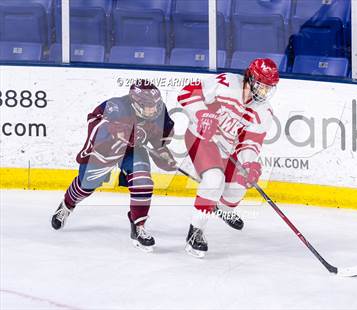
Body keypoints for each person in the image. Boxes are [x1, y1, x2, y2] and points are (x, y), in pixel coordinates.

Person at [51, 80, 176, 252]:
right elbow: (94, 123)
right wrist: (119, 130)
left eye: (155, 105)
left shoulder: (159, 110)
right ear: (135, 103)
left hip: (134, 150)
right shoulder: (116, 106)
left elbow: (159, 140)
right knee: (86, 185)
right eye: (147, 106)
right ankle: (66, 205)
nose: (152, 110)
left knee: (143, 181)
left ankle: (138, 226)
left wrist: (163, 155)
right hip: (106, 148)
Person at [178, 58, 280, 257]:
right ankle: (195, 234)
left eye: (269, 88)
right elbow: (187, 92)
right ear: (250, 78)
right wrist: (201, 115)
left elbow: (250, 142)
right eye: (261, 86)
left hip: (227, 147)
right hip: (201, 138)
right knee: (214, 180)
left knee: (237, 188)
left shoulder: (264, 112)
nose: (264, 93)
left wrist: (249, 164)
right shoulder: (226, 84)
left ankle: (222, 208)